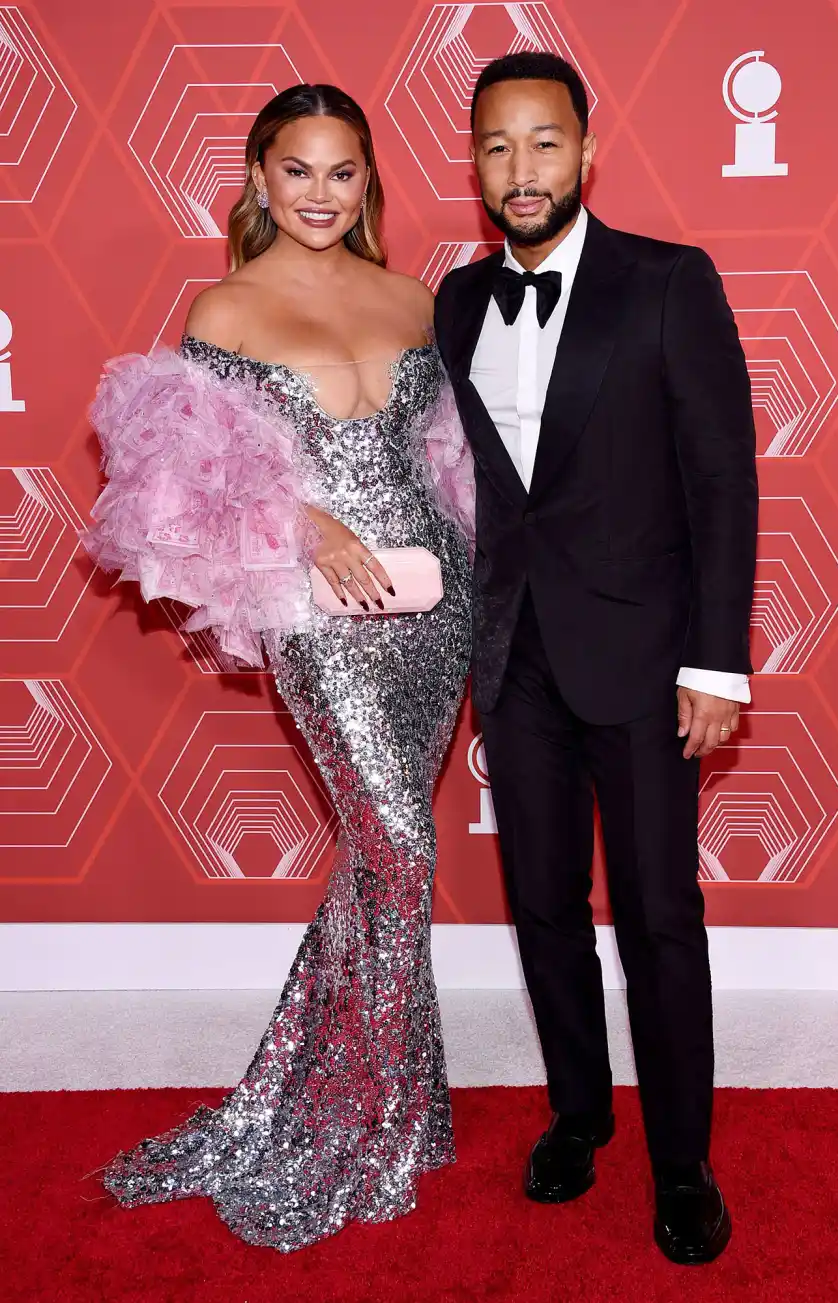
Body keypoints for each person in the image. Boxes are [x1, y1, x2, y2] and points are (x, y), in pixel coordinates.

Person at [82, 83, 475, 1252]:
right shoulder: (228, 307)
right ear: (258, 179)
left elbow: (451, 455)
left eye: (341, 171)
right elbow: (193, 474)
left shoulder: (414, 298)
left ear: (369, 182)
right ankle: (355, 1116)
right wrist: (314, 526)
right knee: (402, 846)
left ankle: (408, 1097)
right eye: (295, 171)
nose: (318, 193)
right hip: (317, 601)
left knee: (377, 852)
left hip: (431, 594)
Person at [433, 52, 758, 1265]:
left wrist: (716, 665)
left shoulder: (668, 283)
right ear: (474, 164)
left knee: (661, 919)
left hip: (648, 656)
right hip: (513, 658)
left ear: (587, 149)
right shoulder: (457, 304)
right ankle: (580, 1113)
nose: (522, 170)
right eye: (498, 148)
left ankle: (684, 1162)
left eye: (545, 143)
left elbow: (723, 482)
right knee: (542, 909)